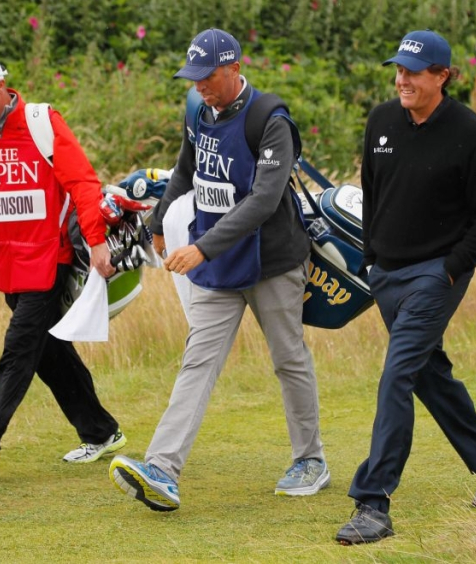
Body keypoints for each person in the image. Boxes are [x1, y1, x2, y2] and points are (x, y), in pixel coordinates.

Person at [108, 28, 329, 512]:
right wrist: (160, 223)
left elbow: (265, 200)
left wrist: (201, 249)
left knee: (288, 359)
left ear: (233, 67)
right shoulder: (199, 109)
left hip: (272, 261)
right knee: (197, 361)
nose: (200, 86)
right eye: (194, 78)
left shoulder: (271, 118)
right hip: (218, 262)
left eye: (207, 77)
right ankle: (162, 470)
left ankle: (310, 460)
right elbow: (185, 169)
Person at [335, 30, 476, 545]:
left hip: (438, 275)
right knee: (427, 373)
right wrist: (371, 259)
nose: (403, 79)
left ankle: (373, 502)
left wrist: (452, 268)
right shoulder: (381, 121)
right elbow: (373, 191)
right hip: (386, 274)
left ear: (442, 76)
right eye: (399, 70)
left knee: (397, 376)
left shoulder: (472, 134)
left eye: (415, 72)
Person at [0, 52, 126, 481]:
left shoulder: (43, 123)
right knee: (48, 351)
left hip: (48, 259)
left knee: (20, 349)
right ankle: (102, 431)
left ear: (1, 85)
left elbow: (82, 182)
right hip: (5, 262)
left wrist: (98, 243)